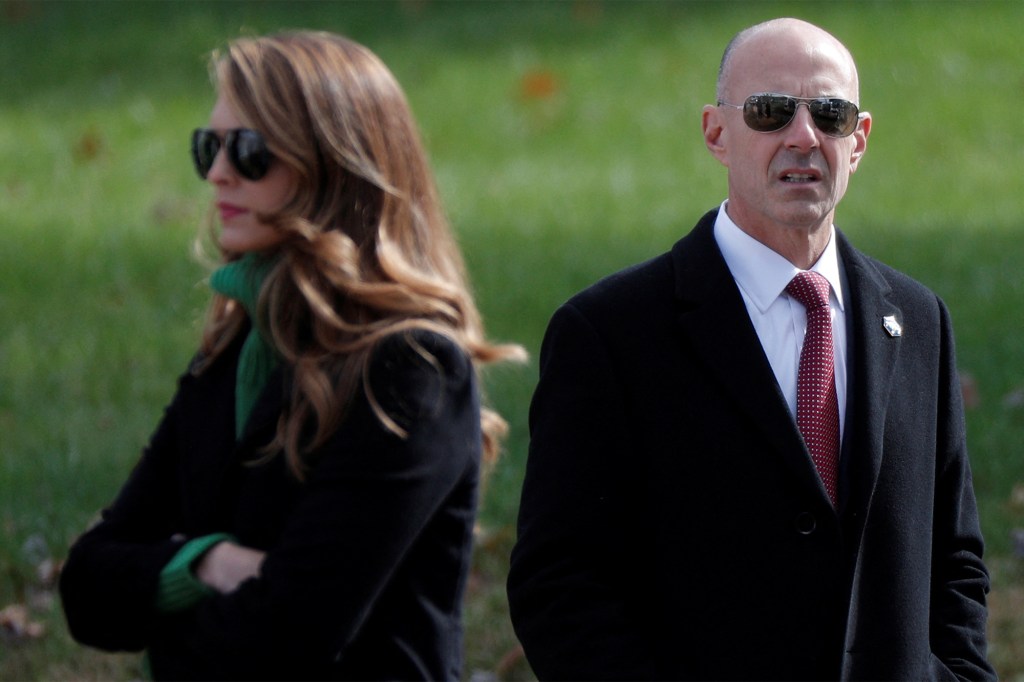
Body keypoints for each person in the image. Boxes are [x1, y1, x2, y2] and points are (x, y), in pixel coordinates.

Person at [507, 17, 994, 681]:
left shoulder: (917, 320)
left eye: (830, 114)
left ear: (859, 141)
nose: (803, 137)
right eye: (768, 113)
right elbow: (559, 587)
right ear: (716, 132)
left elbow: (955, 565)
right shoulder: (612, 334)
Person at [59, 31, 522, 681]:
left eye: (249, 151)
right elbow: (86, 587)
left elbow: (282, 639)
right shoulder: (238, 348)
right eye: (208, 148)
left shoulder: (411, 368)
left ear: (336, 166)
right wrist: (208, 565)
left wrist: (162, 611)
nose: (218, 172)